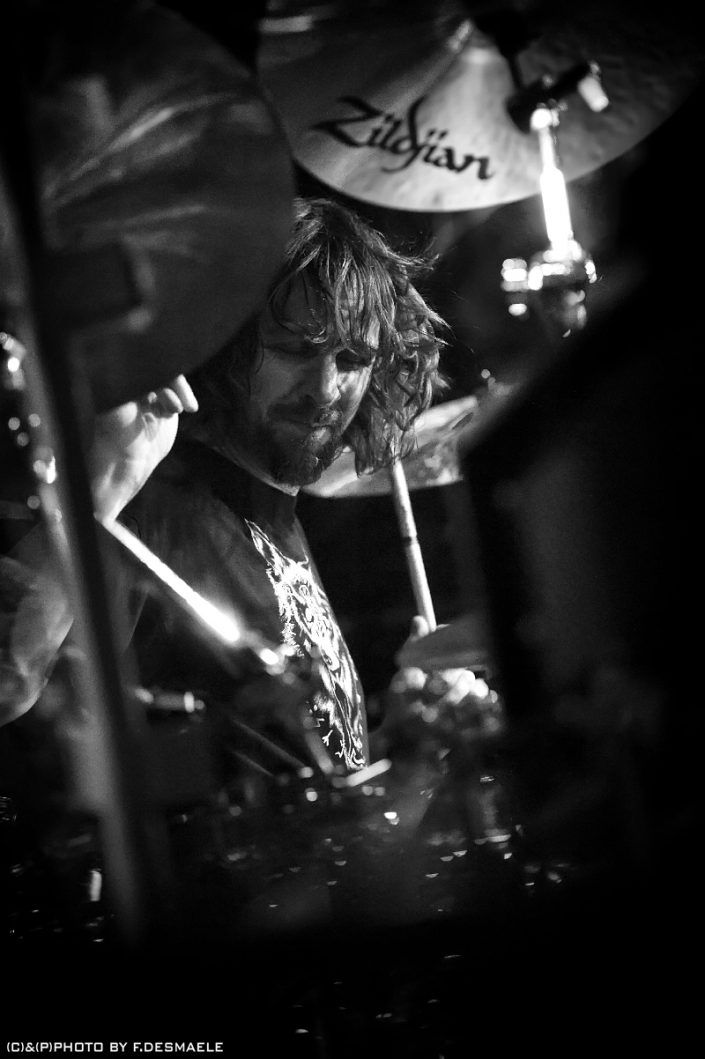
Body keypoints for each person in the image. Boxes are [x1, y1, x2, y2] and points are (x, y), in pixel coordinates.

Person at [1, 196, 448, 781]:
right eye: (295, 350)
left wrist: (409, 748)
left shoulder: (277, 519)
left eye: (352, 358)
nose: (326, 387)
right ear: (229, 339)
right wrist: (105, 488)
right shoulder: (153, 498)